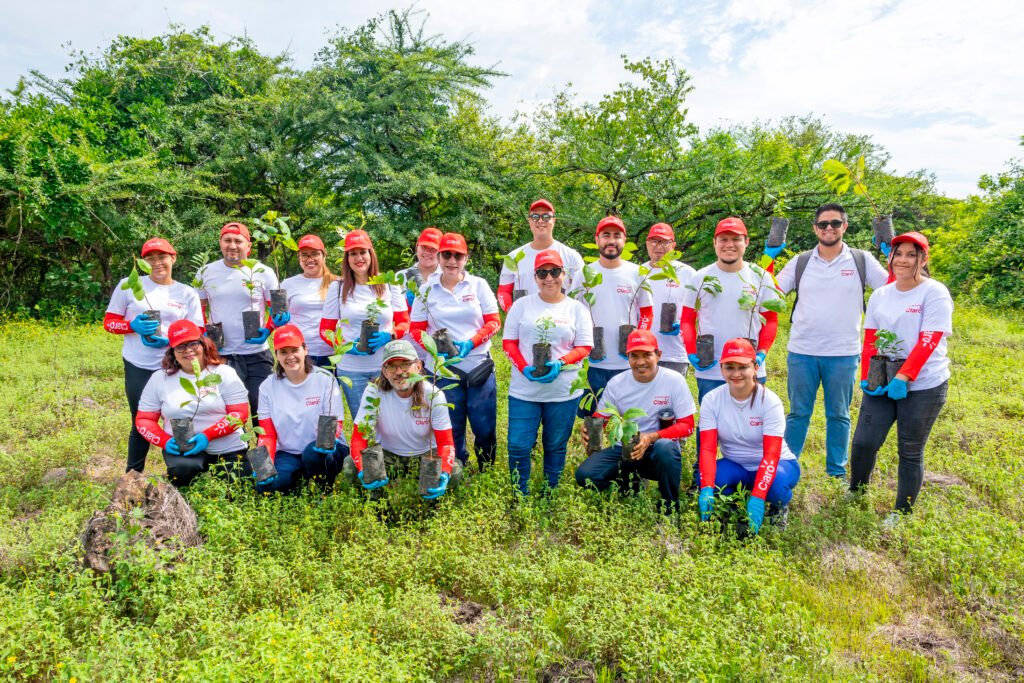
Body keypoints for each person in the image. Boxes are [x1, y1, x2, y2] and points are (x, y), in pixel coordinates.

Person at [765, 204, 890, 479]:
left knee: (839, 415)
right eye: (823, 224)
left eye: (835, 223)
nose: (829, 228)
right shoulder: (801, 261)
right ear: (815, 229)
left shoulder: (862, 260)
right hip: (802, 352)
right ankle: (787, 467)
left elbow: (892, 289)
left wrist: (892, 254)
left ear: (845, 226)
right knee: (798, 414)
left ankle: (836, 472)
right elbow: (770, 294)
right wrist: (767, 259)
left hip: (844, 353)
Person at [850, 232, 952, 526]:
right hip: (883, 378)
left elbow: (928, 340)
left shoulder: (934, 293)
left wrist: (905, 376)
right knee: (864, 443)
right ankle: (856, 490)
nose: (903, 260)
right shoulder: (882, 294)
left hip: (924, 386)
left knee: (909, 449)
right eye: (899, 254)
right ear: (890, 257)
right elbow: (870, 338)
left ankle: (902, 512)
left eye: (911, 254)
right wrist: (868, 375)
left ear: (923, 259)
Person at [680, 217, 783, 483]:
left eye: (735, 239)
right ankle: (702, 476)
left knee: (753, 425)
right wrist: (691, 351)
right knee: (709, 425)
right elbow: (687, 319)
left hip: (750, 368)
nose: (729, 245)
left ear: (746, 243)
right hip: (711, 367)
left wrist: (762, 353)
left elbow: (771, 319)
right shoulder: (700, 277)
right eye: (723, 239)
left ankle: (757, 477)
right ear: (714, 243)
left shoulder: (761, 277)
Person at [105, 238, 203, 473]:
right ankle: (133, 475)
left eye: (162, 257)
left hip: (175, 365)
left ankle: (184, 472)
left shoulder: (186, 293)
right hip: (138, 364)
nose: (157, 263)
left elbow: (197, 331)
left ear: (173, 258)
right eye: (150, 259)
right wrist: (132, 326)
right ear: (143, 263)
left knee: (181, 416)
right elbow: (110, 323)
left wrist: (172, 339)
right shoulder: (128, 285)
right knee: (140, 420)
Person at [502, 250, 593, 495]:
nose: (549, 278)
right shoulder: (522, 306)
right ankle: (519, 494)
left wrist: (560, 363)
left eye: (555, 271)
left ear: (564, 275)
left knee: (555, 445)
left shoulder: (576, 309)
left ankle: (550, 492)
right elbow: (508, 342)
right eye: (543, 272)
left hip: (563, 392)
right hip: (524, 391)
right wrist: (524, 368)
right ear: (535, 276)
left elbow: (584, 346)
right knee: (518, 445)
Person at [575, 330, 696, 513]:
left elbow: (687, 426)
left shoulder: (674, 381)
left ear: (658, 355)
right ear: (628, 357)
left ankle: (669, 504)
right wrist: (588, 428)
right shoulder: (617, 383)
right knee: (585, 475)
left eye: (647, 355)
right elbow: (604, 418)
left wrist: (651, 437)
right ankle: (628, 488)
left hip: (657, 451)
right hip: (625, 448)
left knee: (666, 448)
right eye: (634, 356)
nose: (640, 362)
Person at [409, 232, 500, 470]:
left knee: (485, 426)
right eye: (446, 255)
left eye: (457, 255)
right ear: (439, 257)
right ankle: (456, 468)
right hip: (442, 370)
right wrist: (432, 348)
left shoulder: (478, 285)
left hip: (479, 366)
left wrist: (471, 342)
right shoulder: (426, 290)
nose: (452, 261)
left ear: (466, 258)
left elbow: (493, 322)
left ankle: (486, 469)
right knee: (451, 425)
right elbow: (416, 329)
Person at [696, 338, 801, 533]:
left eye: (743, 367)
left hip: (777, 464)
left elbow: (771, 453)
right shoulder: (712, 400)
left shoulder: (770, 402)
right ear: (721, 369)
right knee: (706, 480)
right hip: (736, 465)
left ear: (755, 367)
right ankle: (732, 506)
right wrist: (707, 488)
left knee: (777, 489)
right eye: (729, 367)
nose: (736, 374)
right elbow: (708, 449)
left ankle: (777, 508)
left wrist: (759, 496)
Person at [135, 320, 250, 487]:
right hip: (184, 448)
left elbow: (239, 413)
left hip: (227, 446)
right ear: (172, 352)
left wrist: (207, 435)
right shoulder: (160, 378)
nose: (188, 350)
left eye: (193, 343)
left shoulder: (224, 373)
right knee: (182, 471)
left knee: (238, 490)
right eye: (180, 347)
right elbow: (144, 419)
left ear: (203, 344)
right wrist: (164, 441)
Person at [344, 339, 462, 500]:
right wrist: (362, 468)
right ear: (384, 371)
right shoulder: (374, 392)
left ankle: (433, 503)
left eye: (405, 364)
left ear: (418, 366)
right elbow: (359, 437)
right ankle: (377, 501)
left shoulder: (433, 395)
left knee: (454, 472)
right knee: (350, 465)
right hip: (388, 454)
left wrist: (445, 471)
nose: (399, 372)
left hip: (425, 455)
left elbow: (446, 442)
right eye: (392, 366)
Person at [195, 222, 289, 415]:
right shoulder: (206, 272)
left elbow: (277, 310)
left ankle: (264, 445)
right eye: (227, 240)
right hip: (220, 354)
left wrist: (269, 329)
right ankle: (236, 445)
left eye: (238, 241)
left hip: (256, 353)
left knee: (261, 406)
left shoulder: (264, 272)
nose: (232, 245)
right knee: (224, 408)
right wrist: (203, 333)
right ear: (220, 243)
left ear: (249, 246)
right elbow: (198, 310)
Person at [319, 229, 409, 416]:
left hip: (386, 367)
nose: (359, 258)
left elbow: (404, 322)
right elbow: (325, 330)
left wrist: (390, 335)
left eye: (363, 252)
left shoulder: (389, 284)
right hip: (351, 369)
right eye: (353, 253)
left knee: (390, 418)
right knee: (362, 420)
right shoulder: (338, 287)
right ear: (347, 258)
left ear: (371, 254)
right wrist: (344, 346)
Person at [573, 215, 653, 417]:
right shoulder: (585, 273)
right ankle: (595, 450)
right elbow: (573, 312)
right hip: (592, 363)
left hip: (628, 362)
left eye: (617, 235)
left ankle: (628, 450)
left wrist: (638, 341)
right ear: (597, 239)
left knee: (629, 418)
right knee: (593, 422)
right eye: (606, 235)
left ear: (624, 240)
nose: (611, 240)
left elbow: (646, 313)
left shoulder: (637, 272)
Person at [253, 325, 349, 493]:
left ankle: (324, 488)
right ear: (276, 356)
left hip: (323, 450)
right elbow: (266, 433)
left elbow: (337, 422)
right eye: (283, 352)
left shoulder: (325, 379)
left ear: (305, 350)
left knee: (313, 455)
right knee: (268, 487)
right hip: (288, 452)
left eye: (294, 350)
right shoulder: (267, 386)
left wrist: (324, 445)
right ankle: (298, 478)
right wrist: (263, 465)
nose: (290, 357)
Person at [496, 199, 585, 311]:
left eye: (546, 216)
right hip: (525, 320)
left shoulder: (571, 256)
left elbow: (582, 291)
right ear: (529, 220)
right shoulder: (513, 258)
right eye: (535, 216)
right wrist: (511, 311)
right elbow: (503, 291)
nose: (541, 220)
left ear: (554, 220)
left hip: (562, 320)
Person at [644, 222, 696, 374]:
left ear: (673, 245)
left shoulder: (687, 274)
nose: (658, 246)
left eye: (664, 242)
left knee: (673, 397)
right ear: (647, 244)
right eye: (654, 241)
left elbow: (702, 309)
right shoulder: (638, 273)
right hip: (643, 351)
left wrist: (684, 323)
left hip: (675, 353)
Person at [279, 234, 338, 367]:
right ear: (299, 257)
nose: (310, 259)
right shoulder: (287, 284)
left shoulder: (337, 283)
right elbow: (276, 316)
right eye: (304, 255)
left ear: (324, 255)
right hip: (298, 351)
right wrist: (274, 324)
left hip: (332, 351)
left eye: (315, 254)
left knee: (330, 388)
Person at [398, 227, 443, 308]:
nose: (427, 252)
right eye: (424, 247)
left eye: (433, 249)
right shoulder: (401, 276)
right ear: (417, 246)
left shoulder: (447, 277)